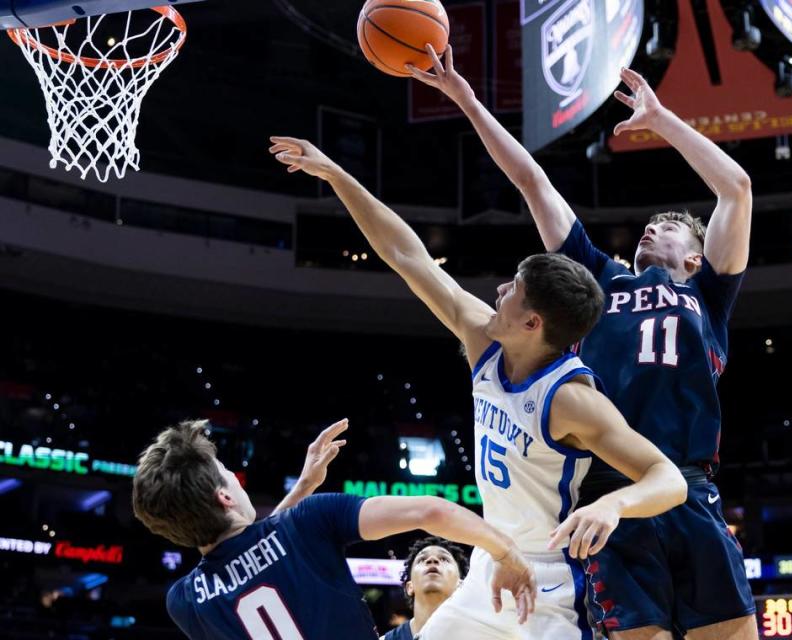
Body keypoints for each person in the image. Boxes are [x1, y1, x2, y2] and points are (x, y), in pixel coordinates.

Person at [269, 136, 687, 640]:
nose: (498, 291)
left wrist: (611, 504)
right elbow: (407, 254)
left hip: (548, 584)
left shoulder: (572, 400)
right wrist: (338, 176)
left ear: (533, 323)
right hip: (492, 561)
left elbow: (669, 479)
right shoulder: (482, 338)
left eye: (512, 289)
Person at [408, 45, 757, 640]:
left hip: (686, 487)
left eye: (668, 227)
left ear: (694, 255)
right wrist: (466, 100)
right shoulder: (595, 279)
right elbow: (530, 180)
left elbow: (737, 188)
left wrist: (661, 119)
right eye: (651, 224)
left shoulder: (708, 292)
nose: (651, 227)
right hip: (602, 495)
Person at [132, 418, 536, 639]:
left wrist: (303, 487)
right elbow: (431, 512)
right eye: (228, 475)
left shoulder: (185, 602)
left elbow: (245, 552)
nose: (236, 480)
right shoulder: (308, 520)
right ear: (224, 497)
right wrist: (506, 552)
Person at [382, 536, 470, 640]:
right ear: (410, 586)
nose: (432, 560)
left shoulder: (483, 634)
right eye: (422, 559)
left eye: (444, 559)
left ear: (460, 585)